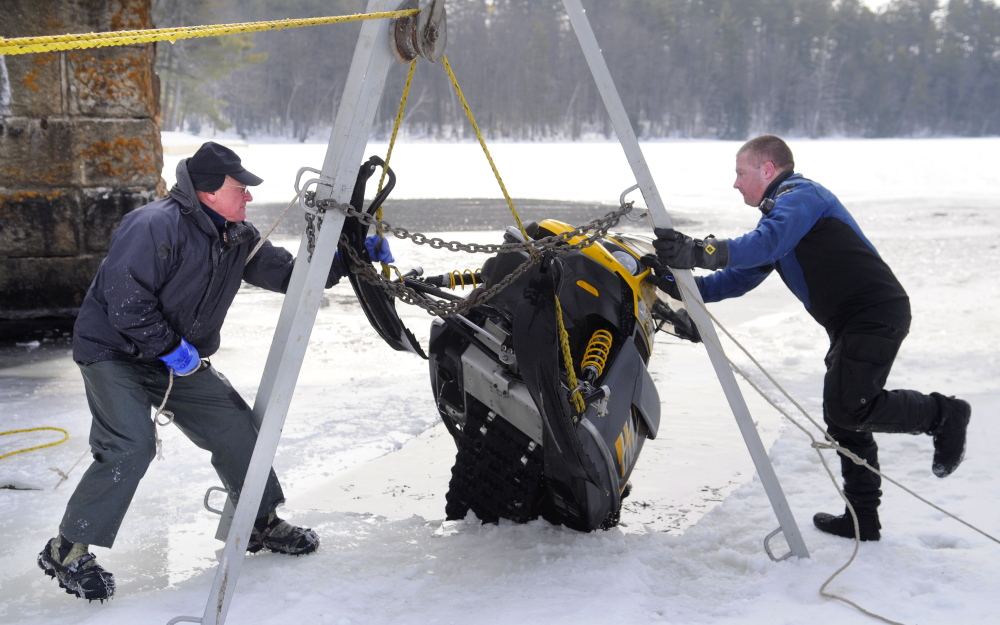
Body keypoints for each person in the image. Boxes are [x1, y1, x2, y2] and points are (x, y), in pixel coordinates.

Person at [37, 142, 394, 602]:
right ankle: (66, 549)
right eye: (239, 187)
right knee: (131, 445)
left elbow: (290, 276)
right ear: (206, 191)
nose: (247, 196)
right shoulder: (152, 226)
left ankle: (258, 523)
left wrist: (346, 258)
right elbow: (127, 304)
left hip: (175, 356)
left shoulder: (236, 235)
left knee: (236, 428)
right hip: (114, 353)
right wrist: (171, 350)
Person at [645, 135, 970, 543]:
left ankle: (944, 414)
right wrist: (677, 282)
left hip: (874, 312)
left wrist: (699, 250)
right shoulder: (779, 219)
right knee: (843, 416)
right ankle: (863, 521)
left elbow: (765, 244)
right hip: (851, 322)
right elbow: (740, 276)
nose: (735, 184)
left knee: (849, 409)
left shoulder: (801, 196)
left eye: (740, 173)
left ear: (767, 169)